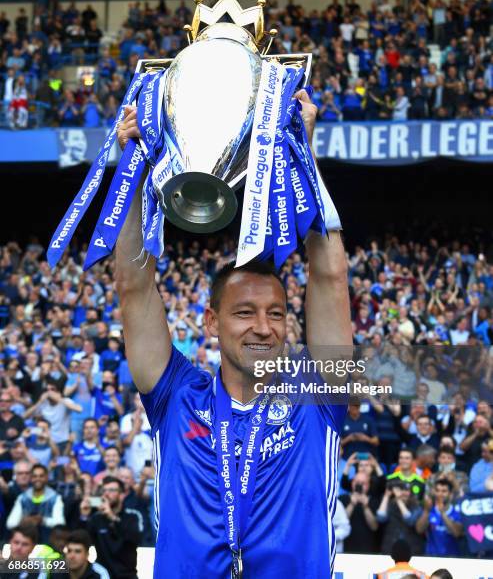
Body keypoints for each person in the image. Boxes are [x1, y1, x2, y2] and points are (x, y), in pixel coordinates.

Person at [115, 90, 352, 577]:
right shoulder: (176, 394)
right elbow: (133, 287)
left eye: (277, 313)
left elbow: (330, 276)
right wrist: (133, 168)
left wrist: (302, 158)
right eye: (245, 312)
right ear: (211, 321)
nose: (264, 327)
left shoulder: (319, 390)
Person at [77, 476, 142, 579]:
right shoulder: (96, 518)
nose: (106, 494)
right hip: (102, 575)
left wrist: (112, 517)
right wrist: (84, 516)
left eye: (111, 490)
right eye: (104, 490)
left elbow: (133, 538)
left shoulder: (133, 515)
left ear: (122, 495)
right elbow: (81, 541)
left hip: (126, 575)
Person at [6, 464, 65, 543]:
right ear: (31, 478)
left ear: (47, 477)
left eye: (41, 476)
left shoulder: (55, 498)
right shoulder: (23, 498)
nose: (38, 479)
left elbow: (60, 522)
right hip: (25, 543)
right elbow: (10, 523)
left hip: (48, 543)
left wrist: (43, 520)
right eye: (35, 476)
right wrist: (24, 521)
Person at [415, 478, 463, 557]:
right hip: (431, 557)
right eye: (437, 490)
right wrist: (426, 512)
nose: (440, 494)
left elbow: (457, 533)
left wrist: (443, 513)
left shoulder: (457, 512)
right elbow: (419, 530)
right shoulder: (429, 510)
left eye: (444, 491)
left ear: (450, 494)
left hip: (453, 558)